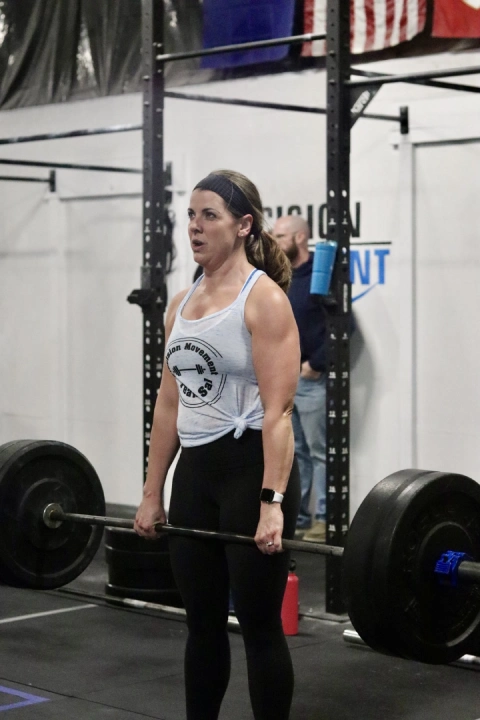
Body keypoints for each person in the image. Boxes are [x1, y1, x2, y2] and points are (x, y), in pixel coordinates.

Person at [134, 169, 301, 720]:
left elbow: (278, 413)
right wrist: (152, 492)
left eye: (210, 215)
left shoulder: (264, 299)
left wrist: (271, 503)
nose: (195, 226)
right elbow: (169, 404)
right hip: (197, 475)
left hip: (251, 470)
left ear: (243, 225)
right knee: (201, 624)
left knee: (258, 626)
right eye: (191, 215)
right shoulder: (180, 304)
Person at [272, 215, 327, 543]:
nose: (275, 242)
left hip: (311, 381)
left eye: (281, 236)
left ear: (301, 238)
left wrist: (315, 364)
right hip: (285, 380)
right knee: (296, 454)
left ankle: (324, 519)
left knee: (319, 453)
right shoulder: (280, 278)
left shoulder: (322, 277)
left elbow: (343, 325)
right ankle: (301, 517)